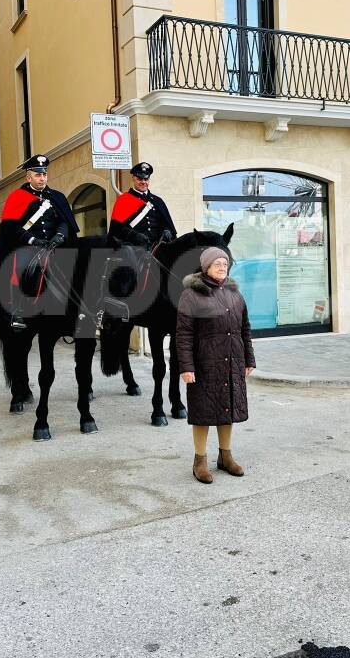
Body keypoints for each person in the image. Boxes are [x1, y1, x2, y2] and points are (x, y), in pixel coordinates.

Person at [176, 247, 255, 484]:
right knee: (203, 413)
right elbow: (184, 334)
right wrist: (186, 367)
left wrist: (249, 359)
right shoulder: (191, 295)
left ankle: (225, 456)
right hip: (204, 364)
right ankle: (199, 461)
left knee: (227, 408)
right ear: (206, 267)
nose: (222, 267)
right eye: (217, 263)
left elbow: (245, 329)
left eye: (225, 263)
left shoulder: (235, 294)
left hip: (232, 360)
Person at [0, 154, 78, 329]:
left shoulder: (56, 197)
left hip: (54, 245)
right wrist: (33, 239)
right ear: (29, 177)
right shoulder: (17, 197)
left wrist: (60, 235)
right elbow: (11, 227)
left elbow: (65, 221)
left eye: (44, 174)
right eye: (38, 175)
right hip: (27, 246)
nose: (42, 178)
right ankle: (18, 310)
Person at [108, 162, 178, 250]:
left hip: (157, 247)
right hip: (133, 246)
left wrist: (168, 230)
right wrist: (134, 235)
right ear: (133, 178)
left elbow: (166, 223)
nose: (143, 182)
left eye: (146, 179)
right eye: (139, 179)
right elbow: (116, 229)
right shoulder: (124, 200)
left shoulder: (157, 201)